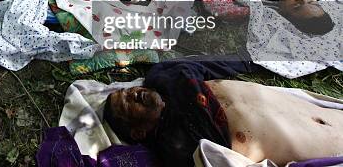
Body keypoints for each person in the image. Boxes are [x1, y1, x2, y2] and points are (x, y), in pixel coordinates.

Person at [104, 59, 343, 167]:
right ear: (138, 132)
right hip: (329, 144)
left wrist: (249, 62)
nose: (132, 92)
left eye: (126, 90)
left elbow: (207, 64)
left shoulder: (165, 78)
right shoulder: (176, 147)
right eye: (126, 102)